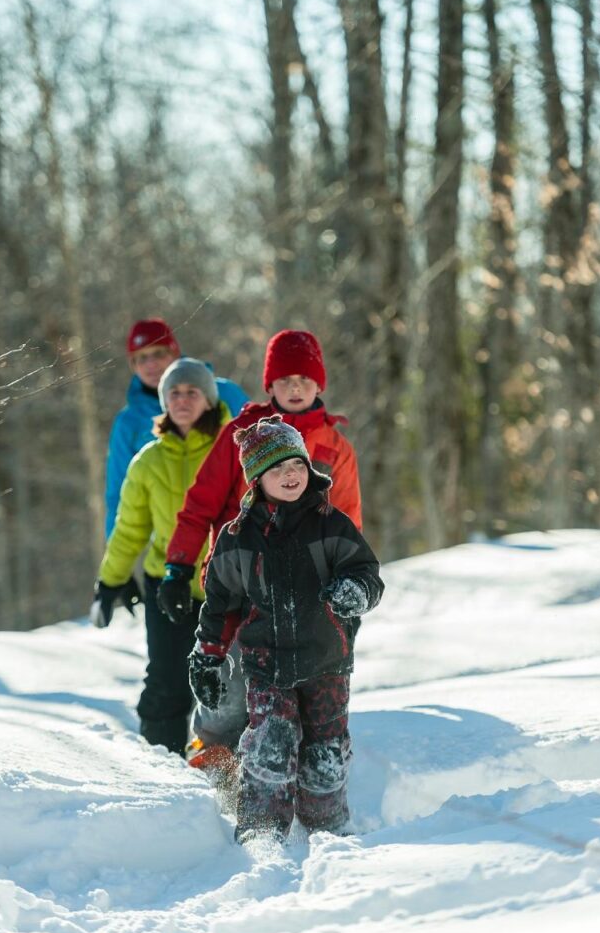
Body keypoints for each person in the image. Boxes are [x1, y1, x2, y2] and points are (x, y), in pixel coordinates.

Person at [157, 329, 364, 762]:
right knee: (230, 688)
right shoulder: (240, 434)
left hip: (308, 596)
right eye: (284, 379)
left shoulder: (335, 448)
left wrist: (352, 591)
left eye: (303, 379)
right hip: (240, 585)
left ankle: (295, 776)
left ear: (318, 385)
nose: (294, 387)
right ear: (268, 384)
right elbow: (199, 507)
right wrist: (177, 567)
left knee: (300, 693)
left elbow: (349, 526)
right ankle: (214, 758)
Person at [187, 415, 384, 843]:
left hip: (327, 661)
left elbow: (367, 573)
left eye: (296, 464)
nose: (290, 474)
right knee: (269, 745)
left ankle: (326, 829)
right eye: (276, 468)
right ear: (256, 479)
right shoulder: (237, 538)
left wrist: (356, 590)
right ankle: (261, 831)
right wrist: (208, 656)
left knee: (325, 753)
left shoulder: (331, 524)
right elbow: (220, 607)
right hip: (265, 664)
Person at [91, 357, 231, 752]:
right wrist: (110, 581)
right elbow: (130, 530)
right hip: (167, 586)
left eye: (192, 392)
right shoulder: (148, 461)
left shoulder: (231, 451)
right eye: (174, 392)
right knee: (167, 681)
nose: (182, 400)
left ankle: (226, 769)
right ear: (164, 400)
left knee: (228, 684)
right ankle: (163, 771)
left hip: (227, 588)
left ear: (209, 399)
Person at [105, 317, 248, 537]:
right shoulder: (128, 423)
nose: (151, 364)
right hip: (169, 542)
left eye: (158, 353)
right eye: (141, 358)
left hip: (230, 528)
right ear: (132, 365)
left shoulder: (226, 395)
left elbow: (259, 450)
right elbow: (119, 493)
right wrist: (118, 557)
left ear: (175, 353)